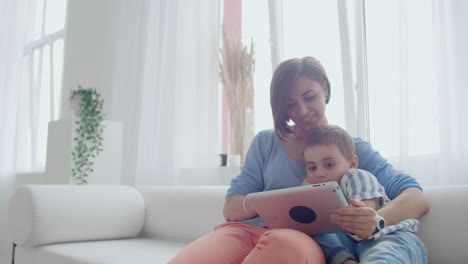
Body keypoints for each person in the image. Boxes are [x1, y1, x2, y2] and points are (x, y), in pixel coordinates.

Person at [168, 57, 429, 264]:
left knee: (285, 248)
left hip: (299, 240)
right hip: (245, 231)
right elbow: (232, 209)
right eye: (290, 104)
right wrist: (271, 203)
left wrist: (377, 219)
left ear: (325, 90)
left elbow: (417, 198)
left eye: (309, 97)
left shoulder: (349, 148)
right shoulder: (265, 142)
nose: (301, 111)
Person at [301, 124, 426, 263]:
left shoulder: (355, 176)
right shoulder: (316, 186)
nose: (319, 173)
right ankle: (344, 260)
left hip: (387, 237)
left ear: (352, 163)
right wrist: (309, 199)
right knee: (314, 230)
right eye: (312, 168)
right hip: (353, 244)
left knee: (383, 255)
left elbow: (363, 215)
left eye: (329, 164)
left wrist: (320, 200)